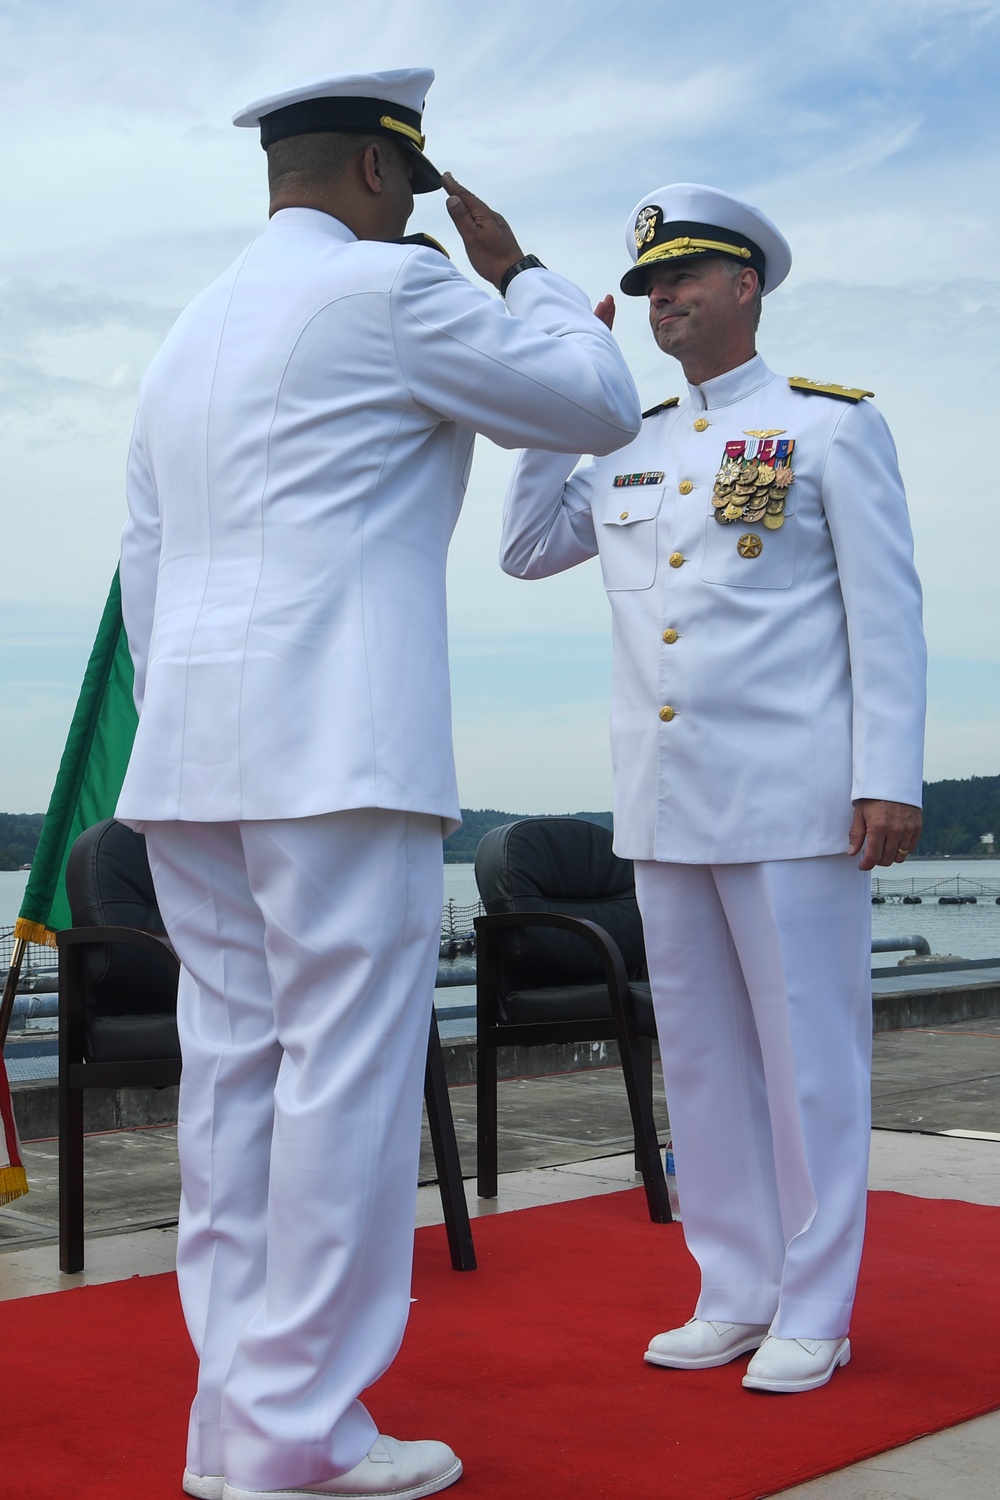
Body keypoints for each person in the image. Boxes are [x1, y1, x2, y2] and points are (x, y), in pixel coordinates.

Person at [116, 68, 641, 1500]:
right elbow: (599, 403)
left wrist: (190, 726)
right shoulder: (389, 293)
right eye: (409, 188)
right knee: (343, 1086)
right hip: (339, 746)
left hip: (195, 761)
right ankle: (303, 1435)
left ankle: (232, 1422)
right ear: (371, 174)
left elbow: (146, 572)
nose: (413, 211)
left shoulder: (186, 334)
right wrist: (523, 274)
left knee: (230, 1090)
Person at [499, 183, 925, 1394]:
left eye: (682, 278)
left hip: (796, 802)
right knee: (699, 1056)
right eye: (645, 287)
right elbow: (528, 551)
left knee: (809, 1060)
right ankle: (732, 1286)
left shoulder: (830, 429)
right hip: (666, 802)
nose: (660, 299)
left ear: (747, 286)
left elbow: (883, 618)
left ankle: (818, 1303)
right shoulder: (624, 440)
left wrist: (885, 777)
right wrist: (546, 411)